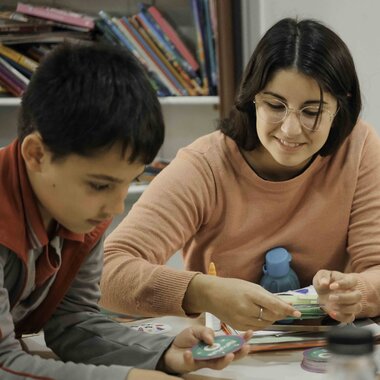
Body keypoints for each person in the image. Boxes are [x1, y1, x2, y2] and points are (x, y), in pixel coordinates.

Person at [100, 17, 380, 331]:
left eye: (312, 112)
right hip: (229, 357)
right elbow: (107, 271)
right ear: (252, 98)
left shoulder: (359, 147)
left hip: (324, 354)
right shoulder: (204, 165)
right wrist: (203, 292)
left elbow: (376, 269)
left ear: (341, 108)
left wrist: (357, 293)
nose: (290, 129)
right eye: (275, 105)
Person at [0, 43, 252, 380]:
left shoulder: (79, 212)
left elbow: (73, 322)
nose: (116, 207)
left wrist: (164, 354)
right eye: (100, 185)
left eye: (128, 183)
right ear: (36, 155)